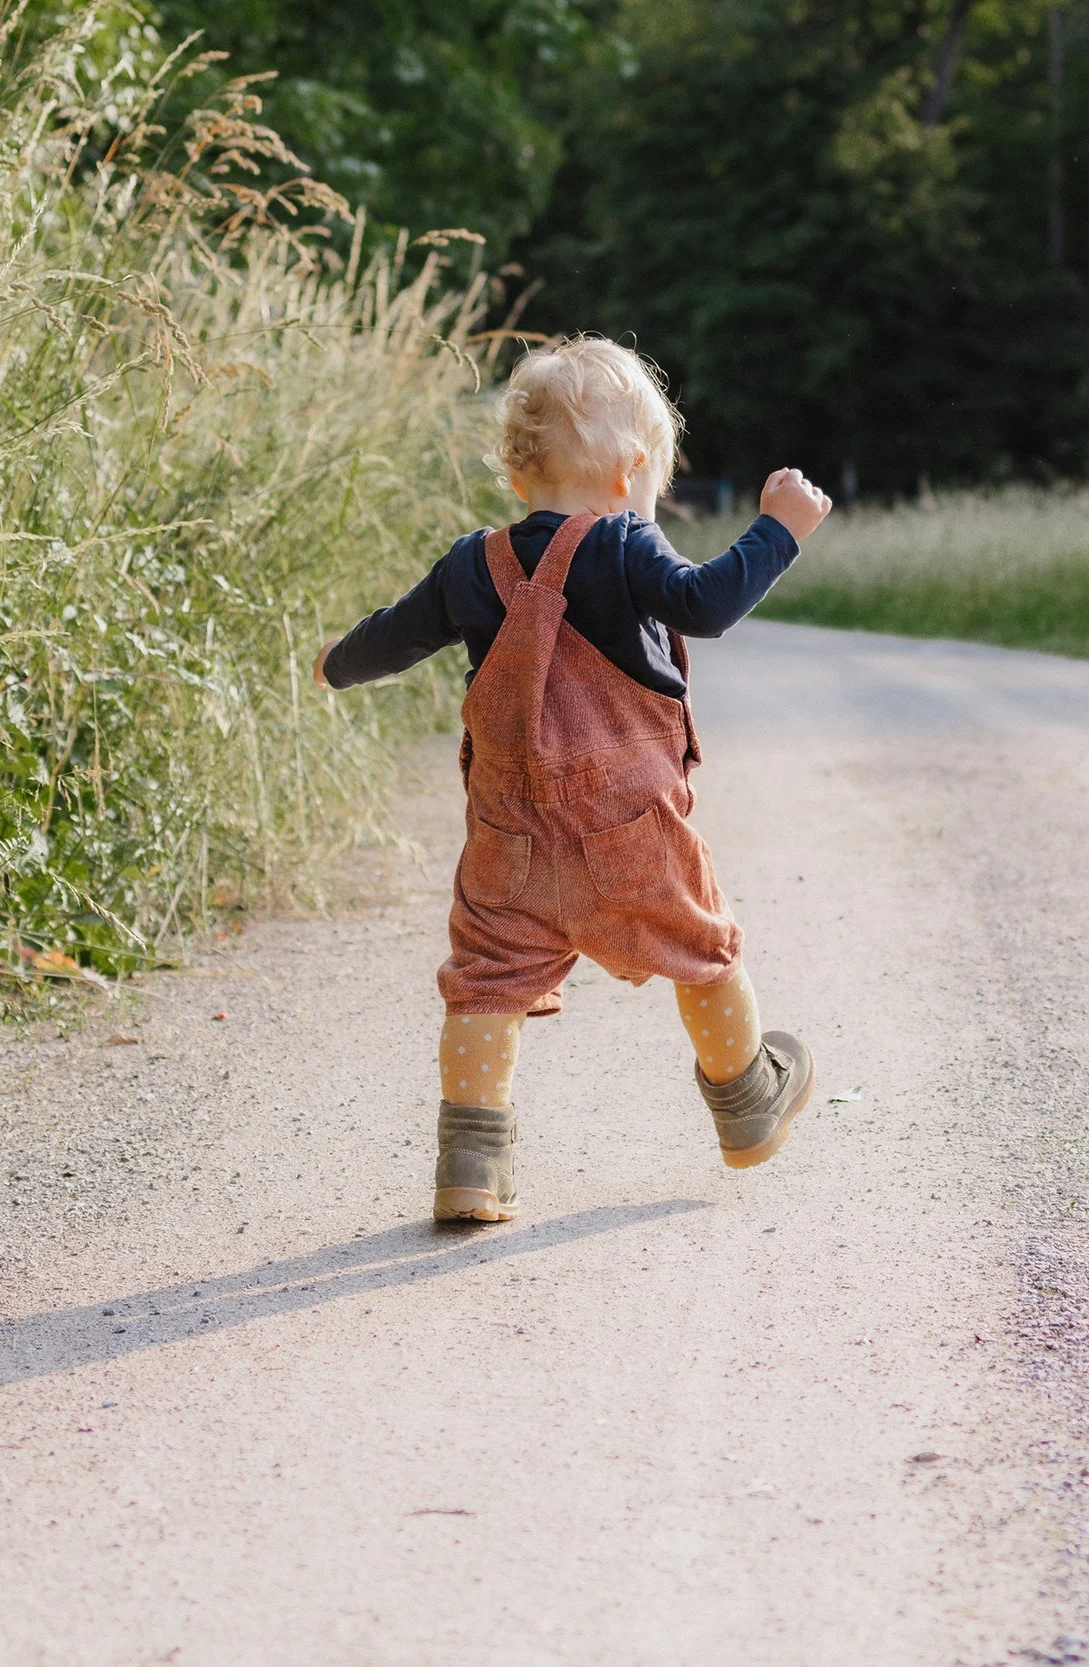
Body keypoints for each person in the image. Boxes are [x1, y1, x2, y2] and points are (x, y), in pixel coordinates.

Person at [315, 337, 833, 1222]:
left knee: (486, 979)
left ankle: (472, 1162)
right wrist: (778, 528)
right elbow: (706, 603)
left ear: (519, 479)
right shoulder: (624, 546)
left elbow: (395, 636)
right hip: (629, 826)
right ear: (636, 469)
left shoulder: (469, 564)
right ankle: (748, 1103)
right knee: (699, 947)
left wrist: (336, 662)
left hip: (507, 836)